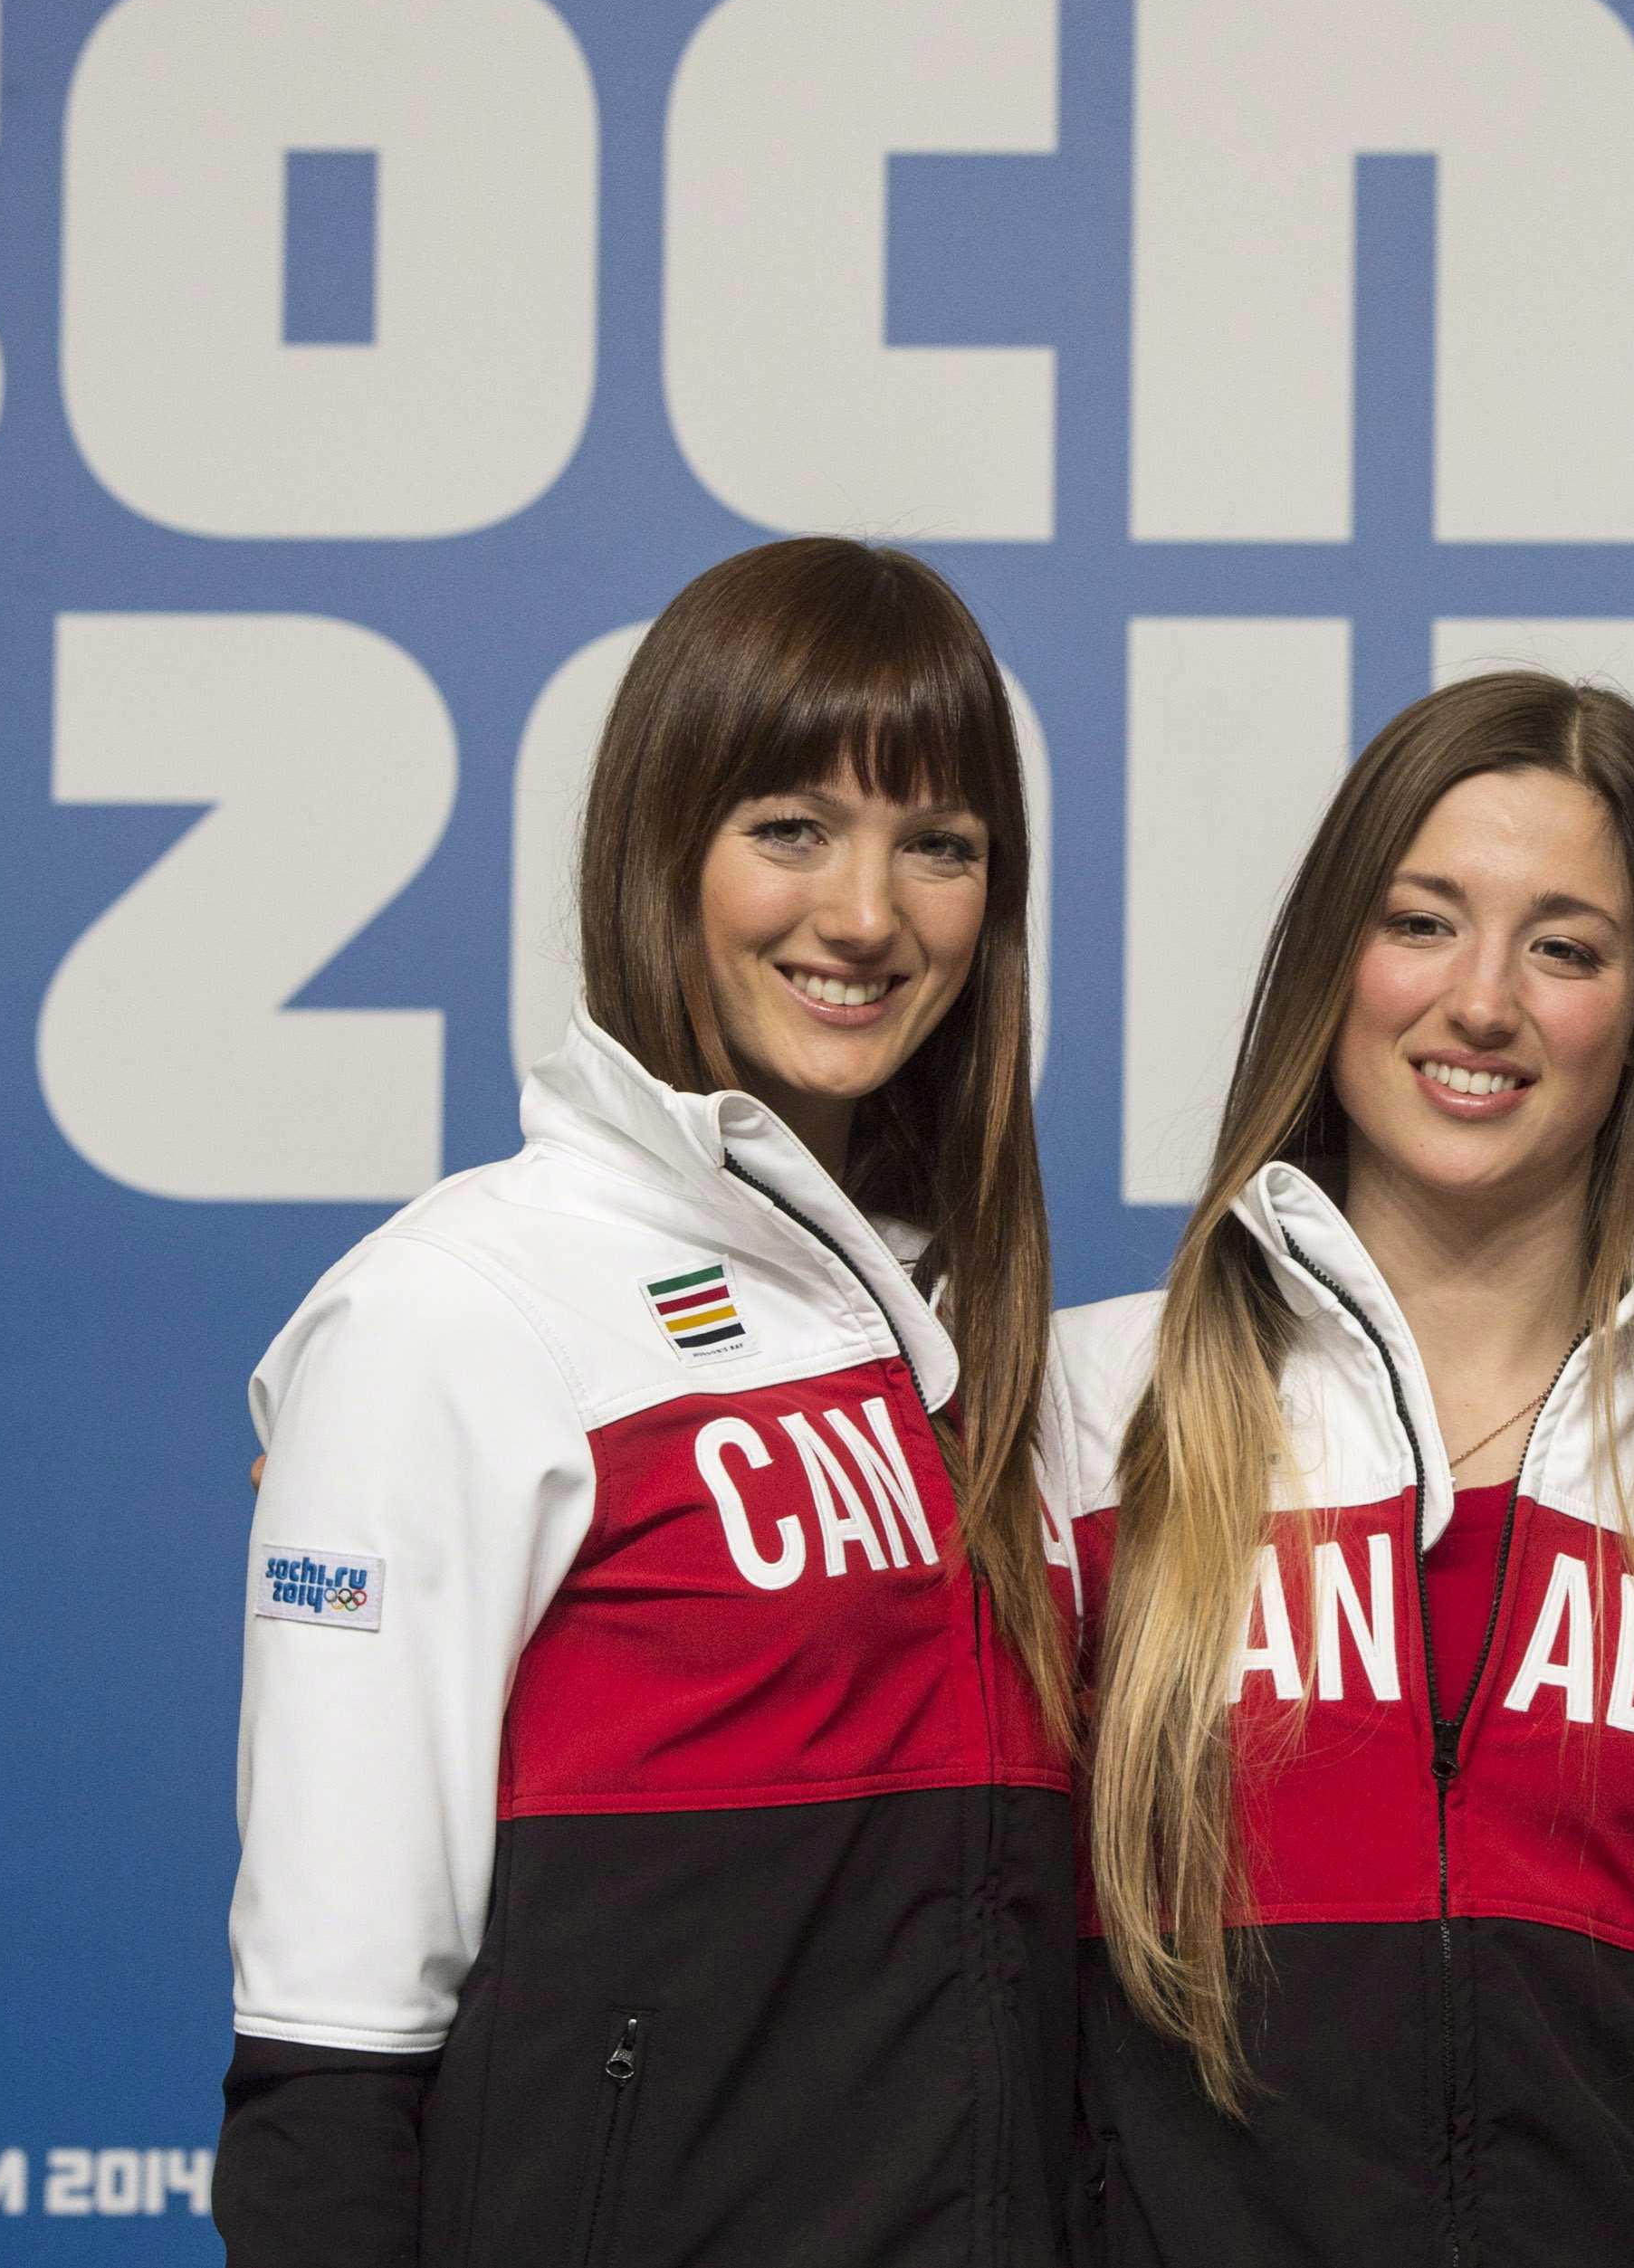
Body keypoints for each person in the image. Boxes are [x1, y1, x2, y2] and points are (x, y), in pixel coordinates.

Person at [216, 541, 1077, 2268]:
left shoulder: (988, 1335)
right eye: (789, 826)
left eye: (940, 845)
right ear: (657, 844)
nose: (865, 913)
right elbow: (326, 2059)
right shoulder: (452, 1316)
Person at [1049, 672, 1634, 2263]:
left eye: (1565, 945)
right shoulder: (1089, 1414)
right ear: (1332, 961)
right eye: (1421, 922)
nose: (1483, 1001)